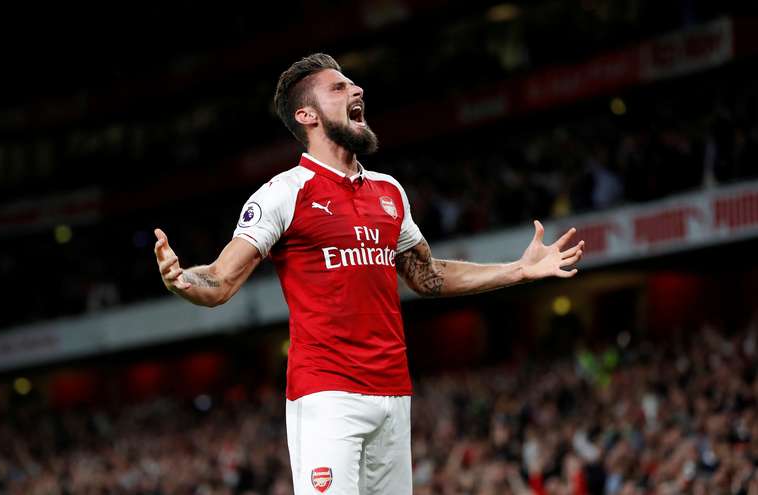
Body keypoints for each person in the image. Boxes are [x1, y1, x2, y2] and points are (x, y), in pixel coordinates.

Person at [154, 53, 584, 495]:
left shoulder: (389, 191)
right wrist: (183, 279)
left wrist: (519, 269)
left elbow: (427, 275)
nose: (356, 91)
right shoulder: (284, 193)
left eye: (353, 85)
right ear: (307, 115)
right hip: (327, 396)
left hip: (394, 393)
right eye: (338, 88)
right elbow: (221, 280)